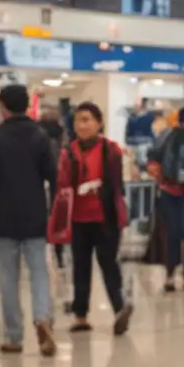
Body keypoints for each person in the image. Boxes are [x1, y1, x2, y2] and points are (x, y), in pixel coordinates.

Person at [0, 85, 58, 356]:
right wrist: (55, 210)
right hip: (35, 213)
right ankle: (42, 318)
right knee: (39, 272)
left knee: (8, 277)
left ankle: (13, 336)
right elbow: (54, 177)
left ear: (3, 107)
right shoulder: (40, 137)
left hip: (4, 215)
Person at [58, 103, 132, 335]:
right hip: (79, 219)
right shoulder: (68, 152)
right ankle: (81, 316)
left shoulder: (111, 151)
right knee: (81, 266)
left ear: (99, 123)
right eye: (79, 120)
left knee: (108, 263)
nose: (83, 125)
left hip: (105, 216)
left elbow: (117, 184)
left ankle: (119, 309)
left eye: (88, 119)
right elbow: (63, 185)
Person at [146, 107, 184, 292]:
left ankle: (170, 275)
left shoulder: (165, 135)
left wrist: (160, 178)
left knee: (171, 234)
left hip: (167, 189)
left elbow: (152, 158)